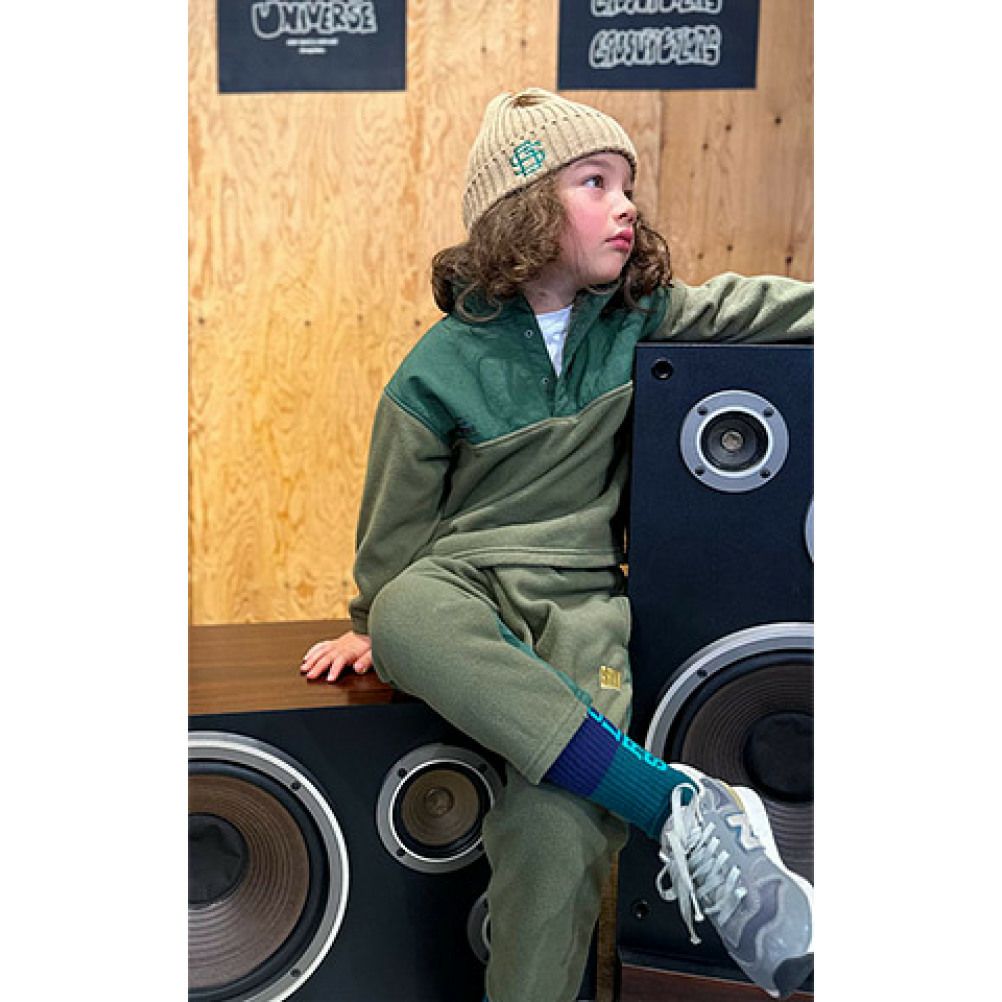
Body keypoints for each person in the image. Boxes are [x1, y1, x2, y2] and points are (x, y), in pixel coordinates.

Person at [300, 88, 814, 1002]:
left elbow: (751, 307)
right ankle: (673, 804)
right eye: (595, 182)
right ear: (527, 210)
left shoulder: (639, 319)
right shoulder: (437, 365)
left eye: (628, 186)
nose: (625, 205)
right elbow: (395, 522)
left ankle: (662, 806)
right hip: (463, 584)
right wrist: (370, 620)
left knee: (555, 826)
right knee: (406, 607)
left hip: (580, 602)